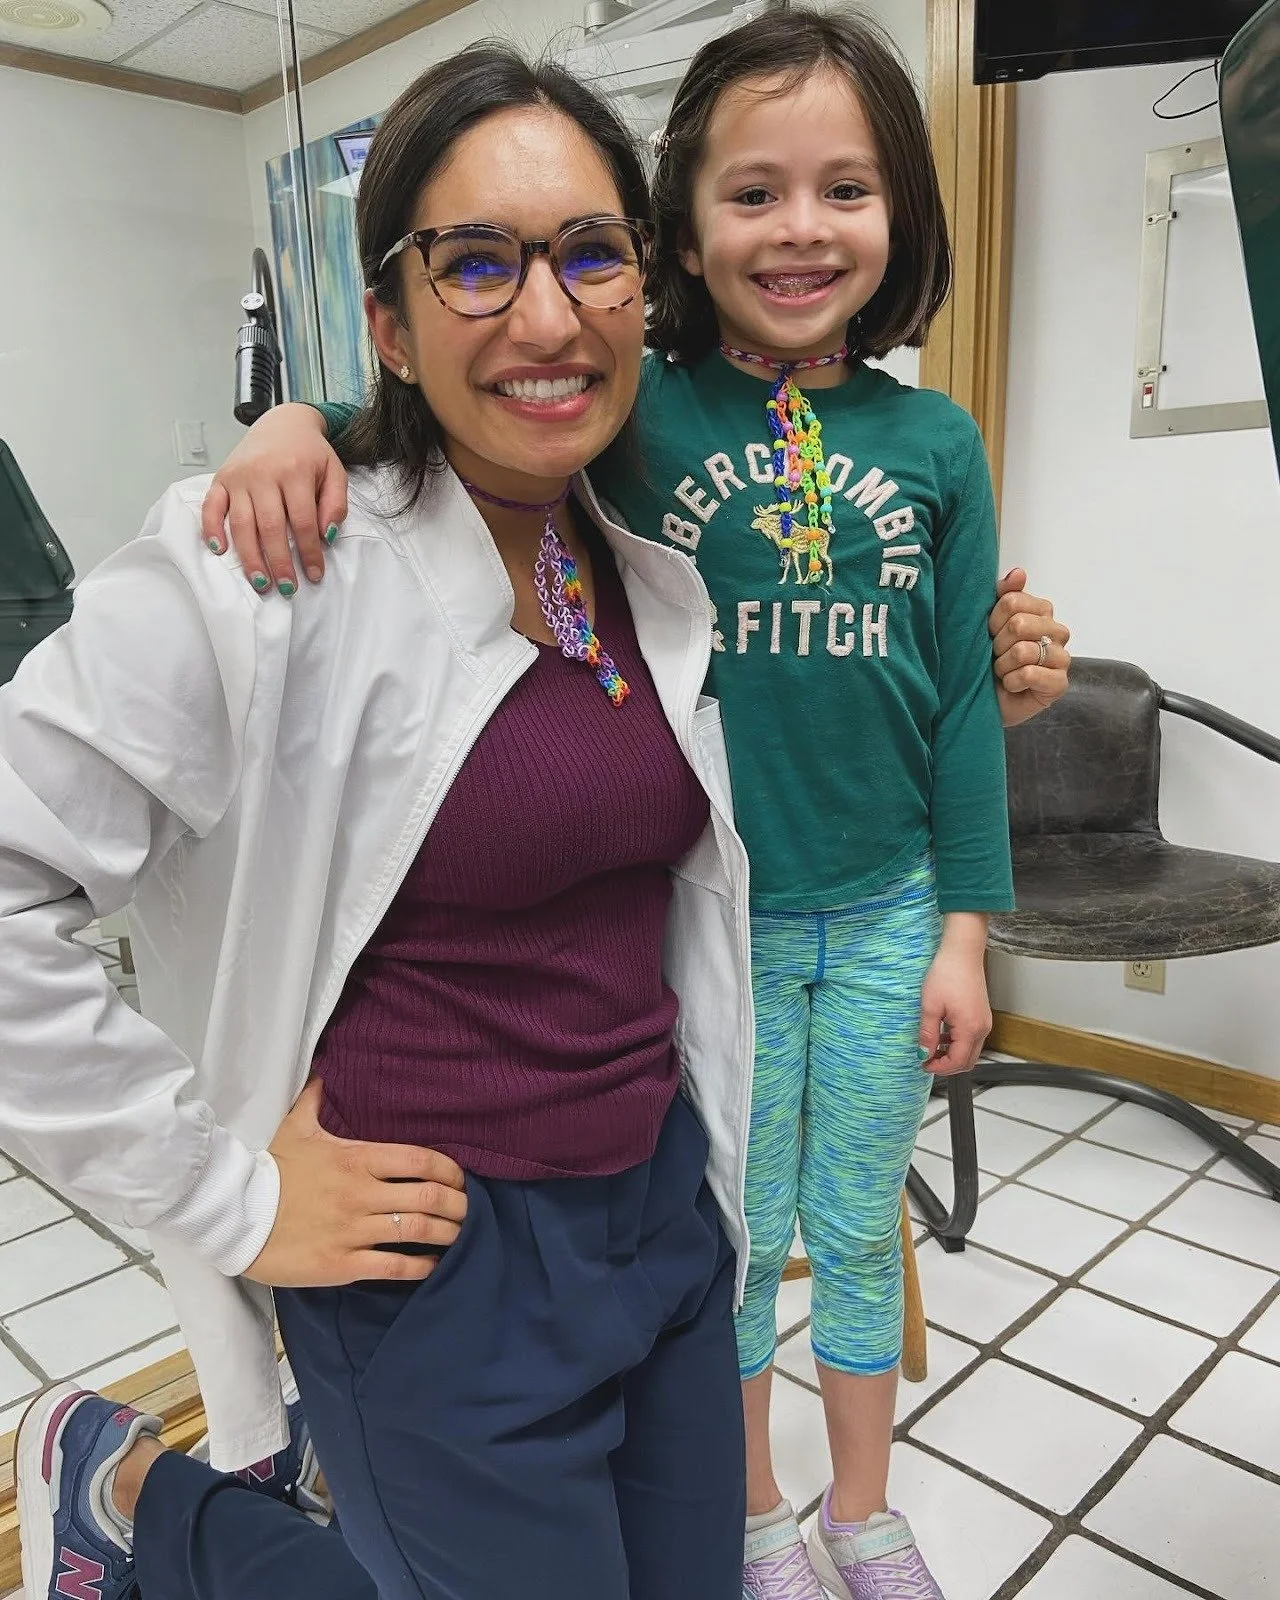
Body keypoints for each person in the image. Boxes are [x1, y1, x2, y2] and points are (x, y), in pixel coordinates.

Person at [204, 12, 1073, 1600]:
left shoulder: (938, 441)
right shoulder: (636, 401)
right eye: (753, 194)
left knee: (861, 1226)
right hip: (718, 915)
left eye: (846, 191)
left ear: (905, 216)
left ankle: (859, 1512)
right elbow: (439, 423)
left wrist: (966, 926)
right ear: (676, 230)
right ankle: (744, 1515)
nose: (801, 230)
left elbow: (959, 703)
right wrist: (284, 422)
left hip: (885, 913)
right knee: (732, 1233)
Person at [5, 43, 756, 1600]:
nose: (546, 315)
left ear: (643, 290)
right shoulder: (260, 566)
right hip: (442, 1273)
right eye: (474, 261)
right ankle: (146, 1508)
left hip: (666, 1226)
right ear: (392, 324)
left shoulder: (637, 563)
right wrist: (232, 1199)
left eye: (590, 253)